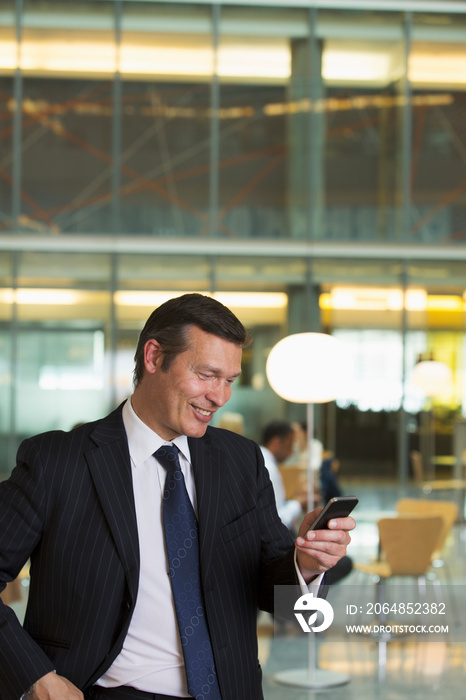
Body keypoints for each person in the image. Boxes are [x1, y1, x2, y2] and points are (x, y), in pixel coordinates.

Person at [0, 293, 355, 700]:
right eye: (206, 374)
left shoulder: (241, 461)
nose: (220, 397)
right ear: (154, 358)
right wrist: (36, 678)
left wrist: (305, 564)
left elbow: (275, 592)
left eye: (229, 381)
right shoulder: (57, 462)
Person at [260, 420, 307, 533]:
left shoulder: (258, 458)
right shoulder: (268, 467)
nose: (291, 452)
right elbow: (278, 519)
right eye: (289, 445)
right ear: (276, 443)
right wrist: (299, 503)